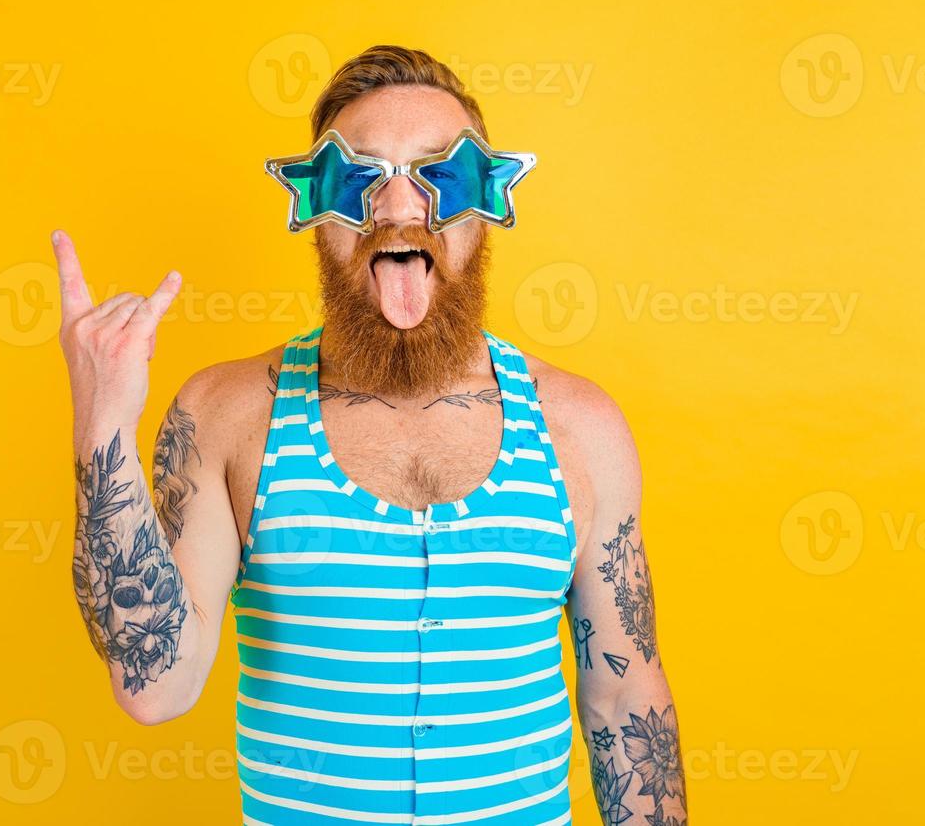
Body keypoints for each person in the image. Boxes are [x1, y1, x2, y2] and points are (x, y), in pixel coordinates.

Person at [52, 45, 686, 824]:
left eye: (439, 174)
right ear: (316, 212)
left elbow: (623, 695)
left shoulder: (580, 428)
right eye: (356, 179)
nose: (396, 207)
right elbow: (155, 685)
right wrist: (103, 418)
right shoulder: (227, 414)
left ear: (484, 204)